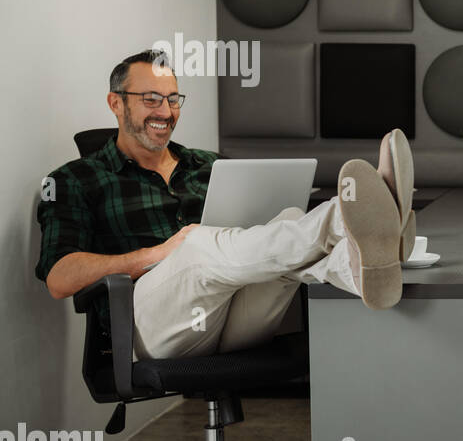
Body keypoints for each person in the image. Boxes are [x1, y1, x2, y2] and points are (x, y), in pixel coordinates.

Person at [35, 50, 414, 360]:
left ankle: (356, 266)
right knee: (197, 243)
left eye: (172, 99)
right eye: (151, 99)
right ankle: (345, 219)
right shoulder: (74, 179)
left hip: (232, 320)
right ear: (115, 103)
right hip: (148, 330)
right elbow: (59, 278)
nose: (165, 112)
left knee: (289, 218)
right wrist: (160, 253)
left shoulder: (208, 164)